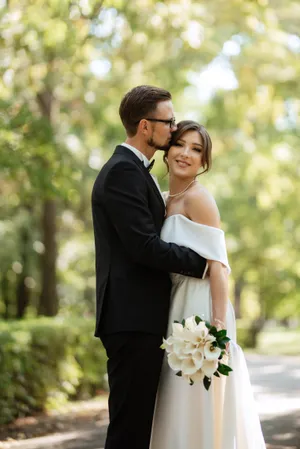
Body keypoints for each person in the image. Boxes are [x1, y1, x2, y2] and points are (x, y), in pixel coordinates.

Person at [91, 87, 208, 449]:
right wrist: (204, 263)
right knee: (129, 429)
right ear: (145, 126)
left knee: (140, 425)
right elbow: (143, 247)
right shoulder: (122, 172)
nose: (173, 129)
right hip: (131, 319)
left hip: (141, 318)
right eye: (167, 121)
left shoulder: (136, 171)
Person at [150, 120, 266, 449]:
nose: (186, 153)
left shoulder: (200, 200)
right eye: (180, 145)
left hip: (200, 312)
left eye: (196, 149)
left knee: (195, 399)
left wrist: (217, 331)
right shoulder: (162, 199)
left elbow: (218, 267)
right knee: (172, 401)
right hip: (174, 306)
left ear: (204, 162)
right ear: (167, 151)